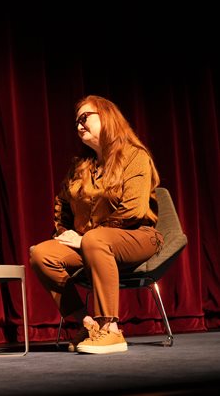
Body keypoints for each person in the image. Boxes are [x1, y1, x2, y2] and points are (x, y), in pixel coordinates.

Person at [29, 95, 163, 354]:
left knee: (95, 239)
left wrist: (87, 237)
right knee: (41, 254)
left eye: (85, 118)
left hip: (137, 236)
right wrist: (64, 232)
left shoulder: (135, 156)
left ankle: (110, 329)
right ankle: (86, 324)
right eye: (76, 121)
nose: (79, 125)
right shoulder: (80, 166)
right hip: (91, 244)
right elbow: (62, 205)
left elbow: (134, 210)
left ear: (107, 117)